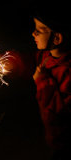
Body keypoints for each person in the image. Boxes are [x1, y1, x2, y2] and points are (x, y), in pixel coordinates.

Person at [31, 5, 71, 160]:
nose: (33, 33)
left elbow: (58, 113)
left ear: (57, 38)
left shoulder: (67, 72)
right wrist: (11, 64)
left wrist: (42, 81)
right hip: (54, 140)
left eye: (39, 30)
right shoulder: (46, 55)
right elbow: (31, 61)